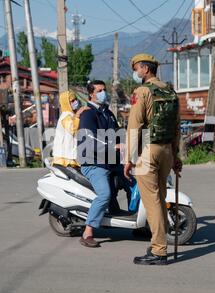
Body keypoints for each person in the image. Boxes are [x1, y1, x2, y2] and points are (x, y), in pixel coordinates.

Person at [124, 53, 182, 265]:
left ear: (145, 69)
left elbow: (135, 126)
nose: (136, 72)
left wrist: (129, 159)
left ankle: (159, 251)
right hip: (167, 150)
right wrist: (176, 155)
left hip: (149, 151)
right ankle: (158, 242)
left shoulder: (142, 91)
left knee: (152, 202)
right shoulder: (170, 91)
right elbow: (176, 127)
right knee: (160, 198)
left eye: (137, 68)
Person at [77, 80, 122, 248]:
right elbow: (90, 139)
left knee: (134, 179)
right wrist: (113, 145)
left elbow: (118, 133)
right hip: (94, 162)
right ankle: (88, 232)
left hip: (109, 160)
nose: (104, 93)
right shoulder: (88, 114)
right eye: (100, 90)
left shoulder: (107, 112)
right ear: (91, 94)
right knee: (104, 194)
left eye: (105, 89)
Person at [52, 90, 89, 168]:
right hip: (64, 157)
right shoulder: (66, 116)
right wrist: (78, 114)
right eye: (72, 101)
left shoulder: (71, 115)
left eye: (76, 99)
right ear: (66, 103)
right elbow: (72, 128)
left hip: (69, 154)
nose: (75, 102)